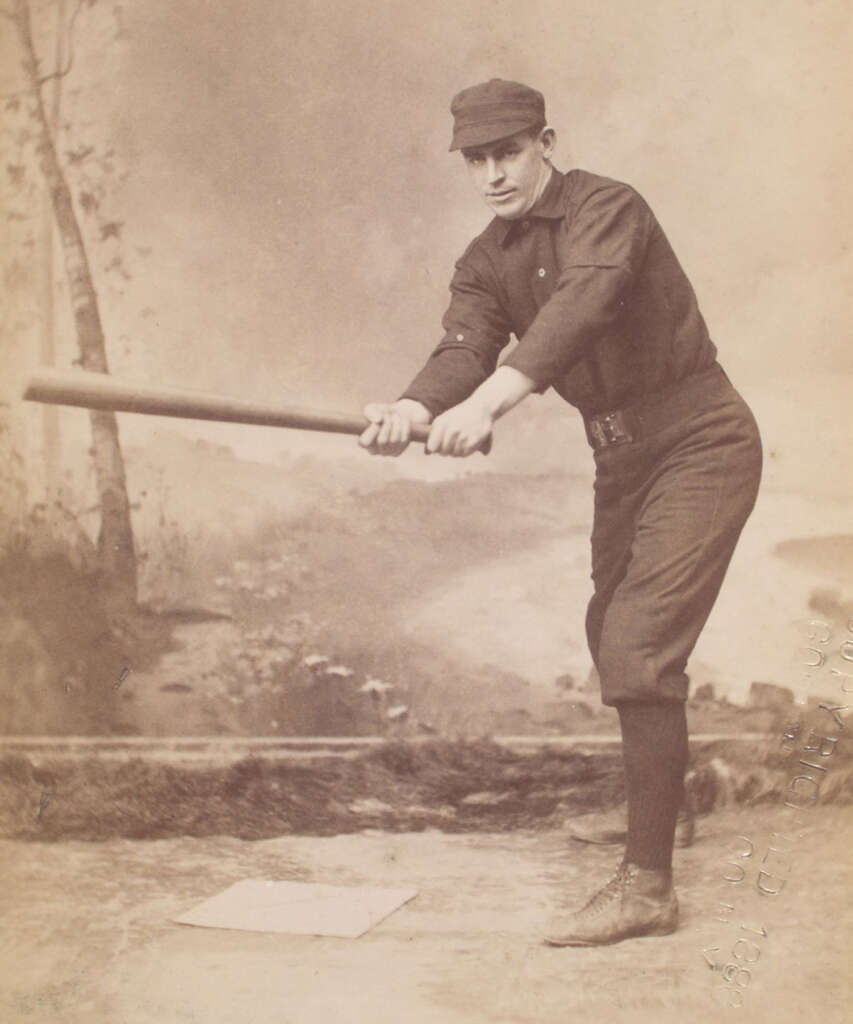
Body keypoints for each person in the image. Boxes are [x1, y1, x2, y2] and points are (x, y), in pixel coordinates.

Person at [359, 78, 762, 946]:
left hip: (700, 438)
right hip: (620, 459)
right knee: (607, 631)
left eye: (509, 152)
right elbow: (463, 345)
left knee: (638, 645)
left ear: (546, 140)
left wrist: (491, 405)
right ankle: (665, 816)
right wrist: (412, 408)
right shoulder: (484, 258)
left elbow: (583, 303)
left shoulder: (606, 208)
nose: (495, 174)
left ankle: (646, 889)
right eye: (477, 159)